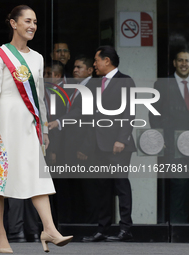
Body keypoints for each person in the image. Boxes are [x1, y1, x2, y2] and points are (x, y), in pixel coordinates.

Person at [0, 5, 73, 253]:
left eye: (36, 22)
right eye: (27, 21)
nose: (32, 26)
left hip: (29, 124)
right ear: (13, 23)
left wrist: (45, 129)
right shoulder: (0, 54)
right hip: (2, 122)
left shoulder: (38, 58)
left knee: (37, 175)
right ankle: (0, 234)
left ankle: (49, 228)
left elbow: (39, 97)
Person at [81, 46, 136, 242]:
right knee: (102, 187)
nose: (94, 65)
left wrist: (121, 139)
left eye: (96, 61)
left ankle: (126, 228)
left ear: (107, 61)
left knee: (121, 185)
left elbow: (129, 112)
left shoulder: (125, 80)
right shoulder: (96, 83)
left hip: (117, 144)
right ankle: (102, 229)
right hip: (98, 145)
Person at [48, 54, 98, 224]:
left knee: (87, 189)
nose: (75, 70)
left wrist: (85, 148)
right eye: (74, 67)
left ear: (90, 70)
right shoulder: (74, 87)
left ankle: (90, 225)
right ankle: (76, 223)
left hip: (83, 148)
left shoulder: (92, 87)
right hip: (69, 147)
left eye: (79, 67)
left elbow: (87, 118)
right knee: (74, 188)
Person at [149, 48, 189, 223]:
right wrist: (159, 138)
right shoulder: (162, 84)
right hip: (174, 144)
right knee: (178, 185)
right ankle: (178, 227)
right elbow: (153, 113)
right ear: (174, 63)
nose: (184, 64)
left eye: (187, 61)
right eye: (180, 60)